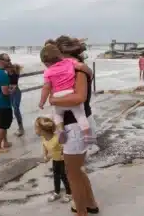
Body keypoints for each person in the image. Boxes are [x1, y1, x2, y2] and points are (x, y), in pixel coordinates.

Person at [49, 36, 99, 216]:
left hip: (76, 126)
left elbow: (80, 97)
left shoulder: (78, 70)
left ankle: (81, 211)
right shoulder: (75, 67)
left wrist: (54, 99)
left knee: (72, 174)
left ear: (63, 52)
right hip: (80, 123)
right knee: (77, 170)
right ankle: (90, 204)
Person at [38, 44, 93, 137]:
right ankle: (87, 135)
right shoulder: (69, 62)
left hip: (57, 97)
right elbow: (82, 66)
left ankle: (60, 130)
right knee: (80, 115)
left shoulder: (47, 72)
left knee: (58, 115)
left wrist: (42, 102)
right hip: (70, 94)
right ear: (60, 56)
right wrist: (90, 74)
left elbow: (46, 88)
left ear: (46, 63)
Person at [35, 116, 72, 203]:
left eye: (36, 129)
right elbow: (44, 145)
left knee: (64, 177)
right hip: (55, 160)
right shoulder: (44, 137)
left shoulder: (56, 139)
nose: (35, 131)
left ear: (43, 130)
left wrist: (48, 157)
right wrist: (45, 155)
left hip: (62, 160)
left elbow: (58, 150)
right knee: (56, 177)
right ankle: (57, 192)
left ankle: (69, 193)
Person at [0, 53, 13, 153]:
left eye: (9, 60)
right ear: (1, 61)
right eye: (7, 60)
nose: (9, 62)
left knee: (3, 123)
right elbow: (5, 91)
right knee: (4, 125)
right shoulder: (3, 75)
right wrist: (12, 90)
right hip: (4, 103)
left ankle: (5, 142)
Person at [6, 63, 25, 136]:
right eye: (6, 68)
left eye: (8, 68)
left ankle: (21, 128)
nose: (6, 69)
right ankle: (20, 127)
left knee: (16, 110)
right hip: (10, 93)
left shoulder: (15, 74)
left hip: (16, 93)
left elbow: (14, 86)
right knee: (15, 110)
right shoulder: (6, 74)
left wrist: (9, 90)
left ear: (11, 68)